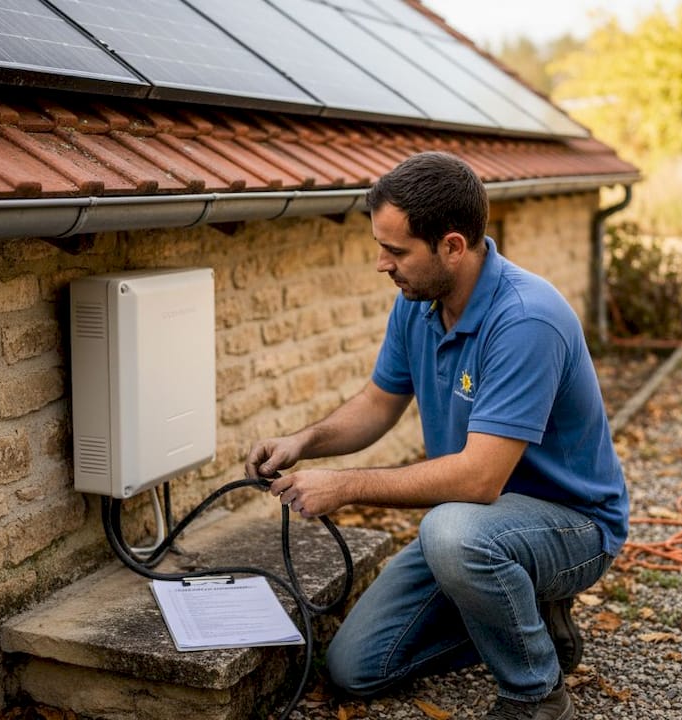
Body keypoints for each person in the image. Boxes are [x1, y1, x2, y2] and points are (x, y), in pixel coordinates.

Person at [245, 151, 629, 720]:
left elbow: (478, 479)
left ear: (452, 246)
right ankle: (531, 618)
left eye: (396, 250)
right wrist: (303, 442)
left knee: (448, 531)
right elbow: (379, 402)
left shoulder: (525, 320)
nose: (382, 264)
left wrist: (345, 485)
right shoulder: (419, 302)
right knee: (356, 668)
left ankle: (536, 694)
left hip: (570, 525)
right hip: (483, 528)